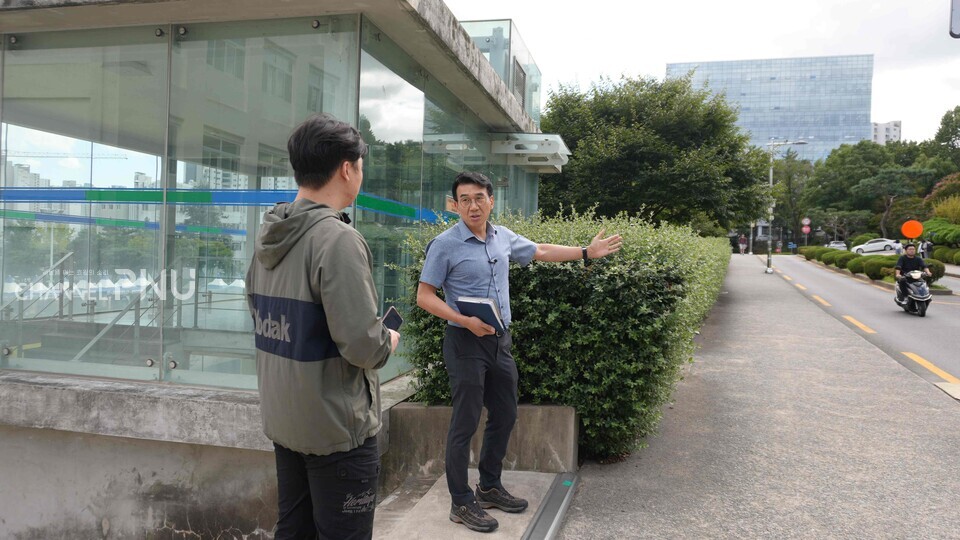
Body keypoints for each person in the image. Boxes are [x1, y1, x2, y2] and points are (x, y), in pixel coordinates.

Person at [416, 171, 623, 533]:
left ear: (491, 200)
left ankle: (490, 486)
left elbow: (540, 250)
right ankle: (461, 502)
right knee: (464, 422)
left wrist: (587, 252)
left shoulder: (502, 237)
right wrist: (464, 321)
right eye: (464, 199)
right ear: (455, 205)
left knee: (506, 412)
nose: (473, 205)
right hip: (465, 342)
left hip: (499, 339)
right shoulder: (444, 244)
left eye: (479, 197)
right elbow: (425, 296)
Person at [245, 113, 400, 540]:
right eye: (361, 167)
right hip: (336, 430)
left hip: (286, 420)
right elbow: (362, 346)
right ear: (347, 168)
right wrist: (387, 338)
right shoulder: (337, 240)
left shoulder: (269, 235)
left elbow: (263, 315)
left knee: (293, 530)